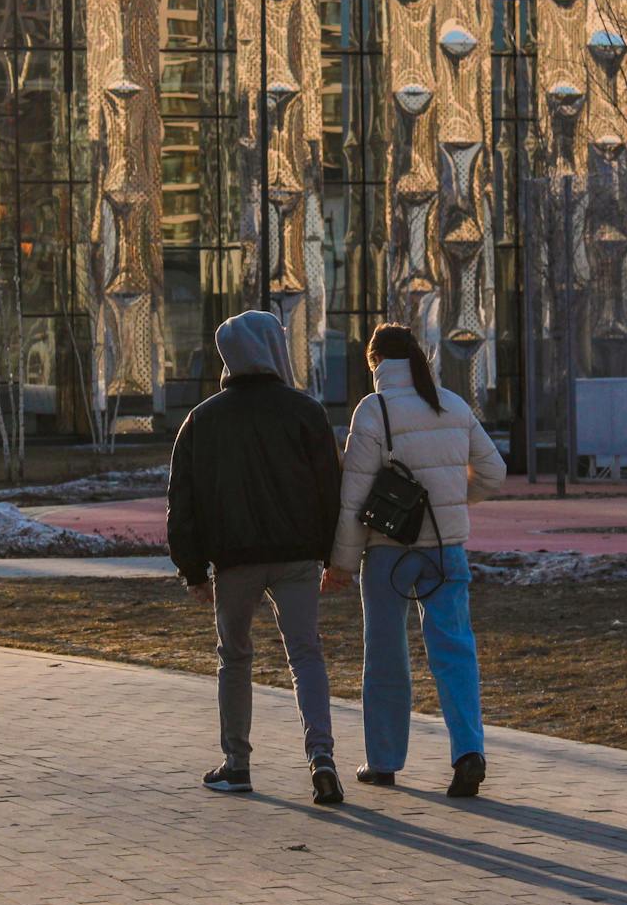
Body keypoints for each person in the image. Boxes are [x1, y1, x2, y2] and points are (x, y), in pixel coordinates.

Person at [167, 310, 346, 806]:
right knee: (306, 654)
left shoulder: (202, 420)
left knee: (235, 657)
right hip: (297, 559)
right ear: (273, 349)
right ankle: (322, 758)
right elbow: (331, 491)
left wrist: (192, 570)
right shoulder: (305, 413)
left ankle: (237, 762)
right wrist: (335, 555)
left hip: (235, 562)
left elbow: (182, 502)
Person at [321, 324, 508, 798]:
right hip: (447, 549)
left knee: (386, 655)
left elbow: (353, 497)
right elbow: (494, 471)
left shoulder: (373, 410)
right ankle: (469, 752)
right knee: (455, 650)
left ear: (376, 362)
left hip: (388, 552)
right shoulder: (451, 403)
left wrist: (340, 564)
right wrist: (451, 498)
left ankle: (383, 761)